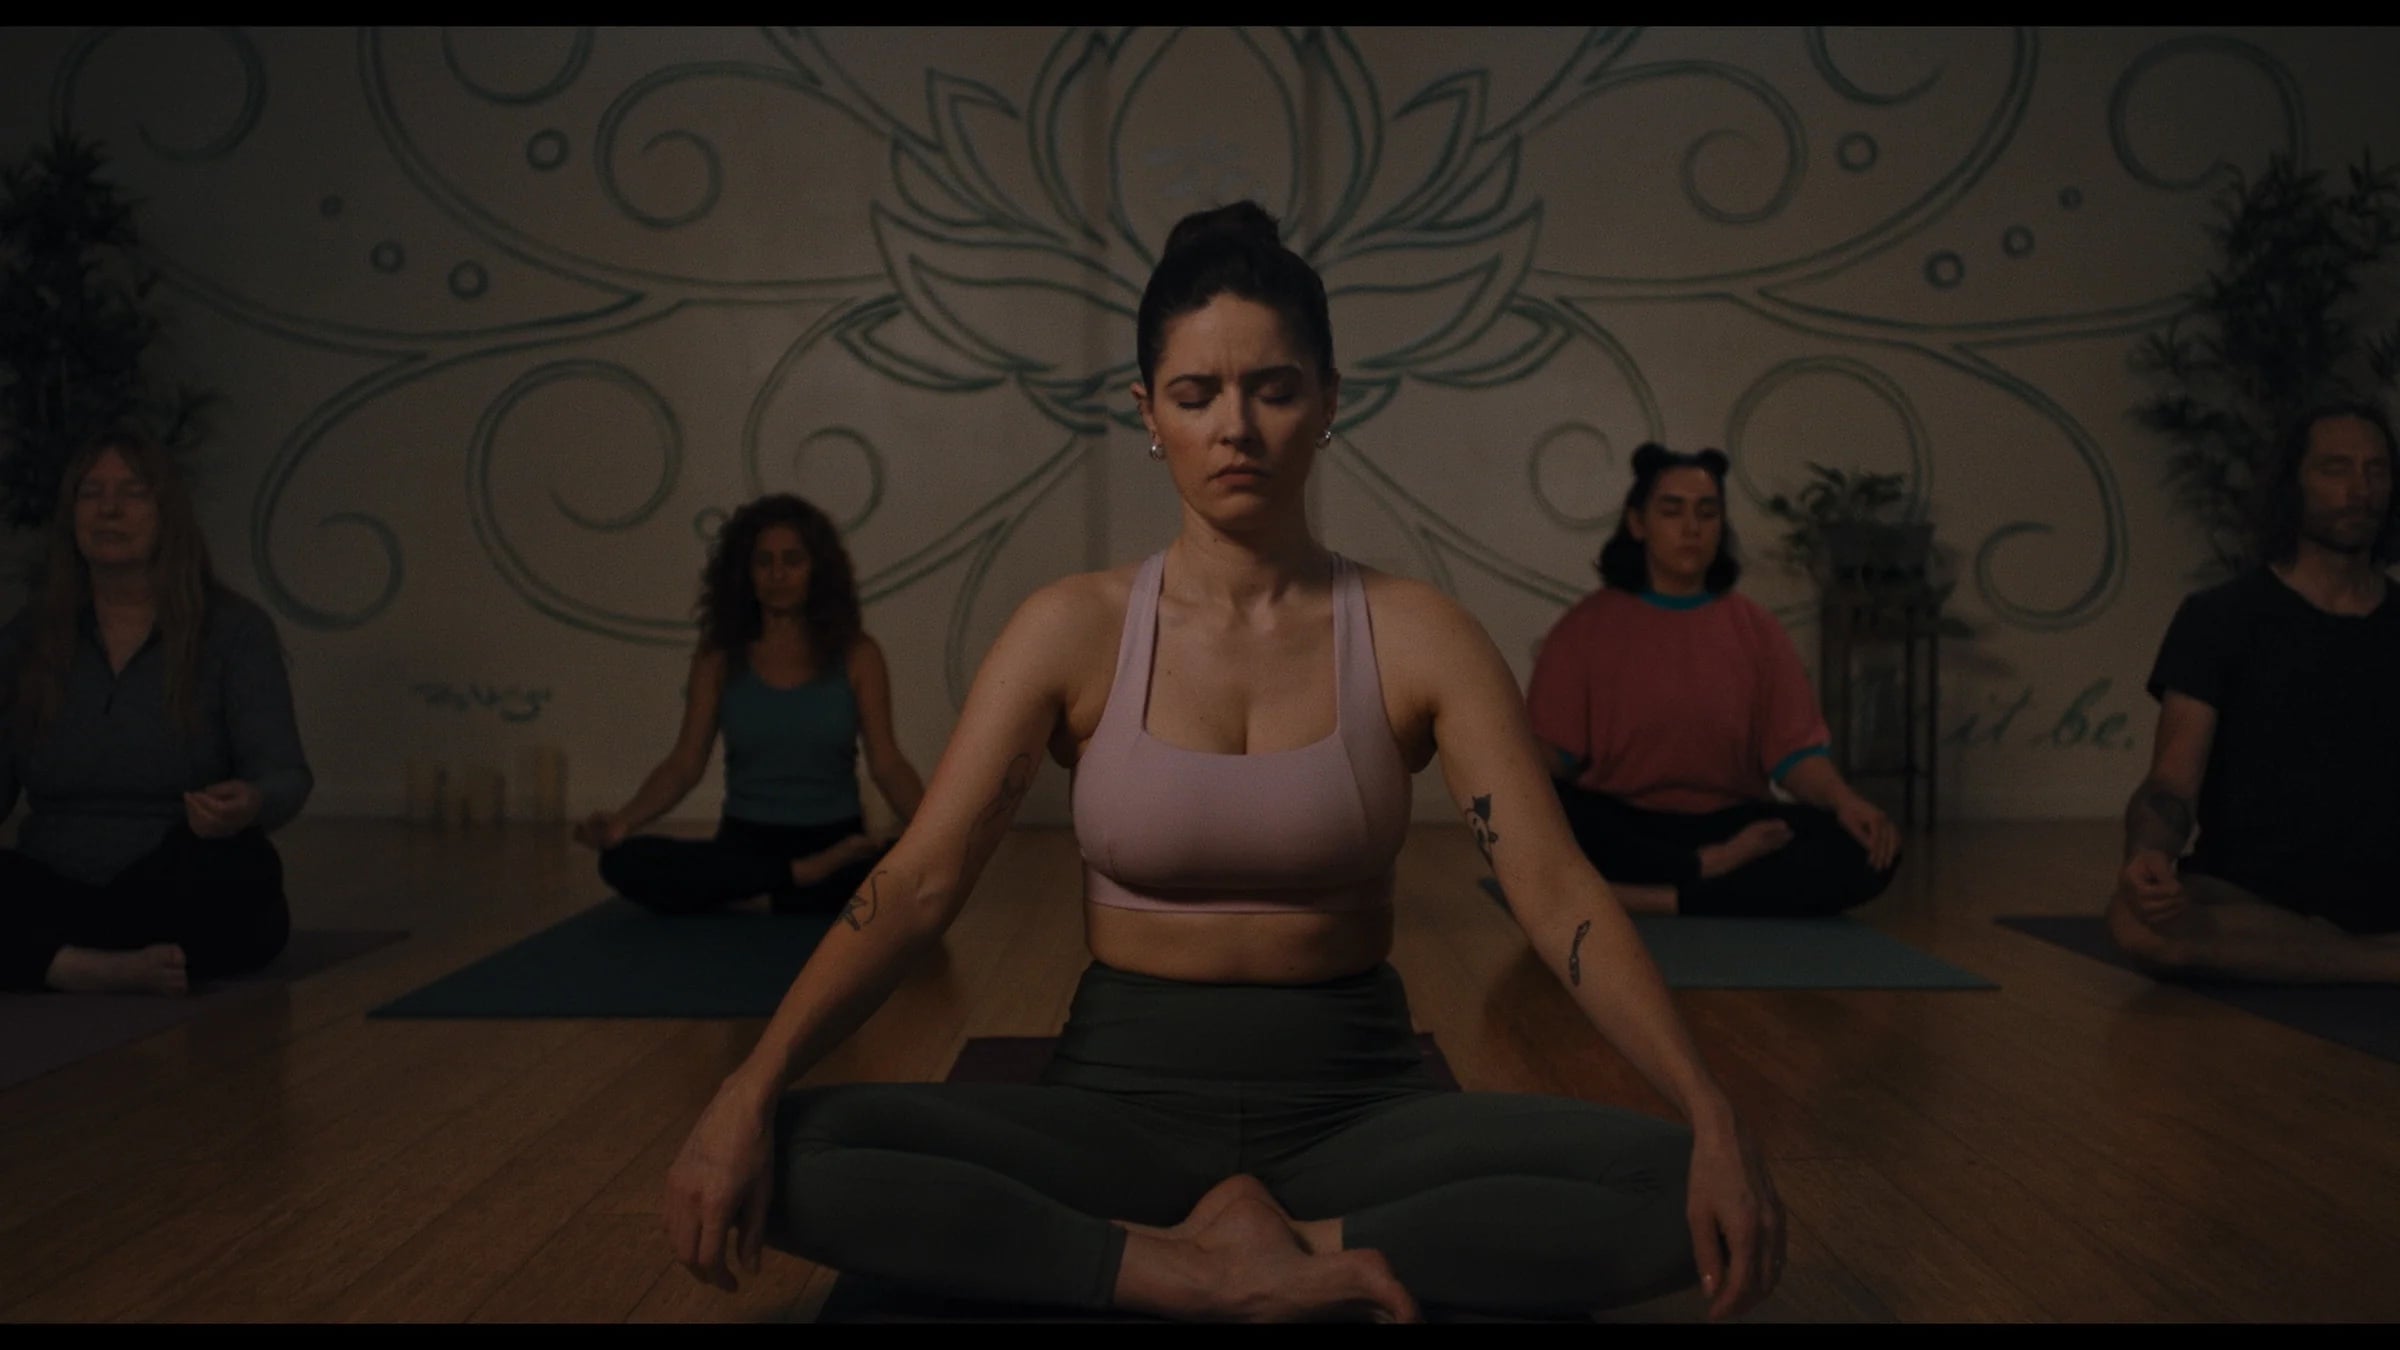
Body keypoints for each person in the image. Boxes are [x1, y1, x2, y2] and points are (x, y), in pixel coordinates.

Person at [657, 203, 1784, 1323]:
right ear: (1150, 414)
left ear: (1329, 400)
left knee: (1678, 1184)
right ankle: (1169, 1263)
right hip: (1115, 1110)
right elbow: (919, 880)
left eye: (1274, 389)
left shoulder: (1417, 632)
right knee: (790, 1150)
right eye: (1196, 396)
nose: (1235, 426)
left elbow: (1552, 887)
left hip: (1361, 1111)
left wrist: (1708, 1104)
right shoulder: (1072, 629)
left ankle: (1292, 1246)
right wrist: (748, 1085)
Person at [1523, 444, 1901, 918]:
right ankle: (1705, 875)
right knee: (1540, 815)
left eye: (1707, 512)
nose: (1691, 528)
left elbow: (1796, 755)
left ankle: (1659, 897)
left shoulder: (1757, 630)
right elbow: (1554, 756)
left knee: (1864, 848)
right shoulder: (1586, 627)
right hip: (1624, 822)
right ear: (1638, 523)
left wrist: (1847, 803)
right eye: (1672, 511)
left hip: (1734, 828)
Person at [0, 430, 310, 995]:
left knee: (246, 874)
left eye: (133, 492)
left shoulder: (234, 632)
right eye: (91, 493)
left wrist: (250, 803)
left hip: (174, 875)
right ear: (71, 517)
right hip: (52, 879)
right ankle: (81, 967)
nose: (109, 509)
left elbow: (285, 775)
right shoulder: (27, 639)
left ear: (168, 513)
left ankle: (41, 959)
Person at [2109, 401, 2400, 981]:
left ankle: (2336, 955)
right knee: (2137, 923)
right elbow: (2170, 785)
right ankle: (2379, 963)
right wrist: (2149, 854)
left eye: (2376, 470)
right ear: (2294, 484)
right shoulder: (2219, 618)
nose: (2360, 489)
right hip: (2249, 891)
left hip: (2382, 885)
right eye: (2336, 468)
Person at [574, 494, 924, 916]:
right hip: (745, 845)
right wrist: (623, 821)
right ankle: (794, 879)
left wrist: (934, 833)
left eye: (793, 560)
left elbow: (886, 763)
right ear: (746, 572)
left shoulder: (857, 654)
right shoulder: (719, 656)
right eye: (764, 561)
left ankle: (769, 888)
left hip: (837, 845)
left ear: (817, 570)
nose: (778, 574)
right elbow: (685, 763)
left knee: (900, 874)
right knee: (624, 861)